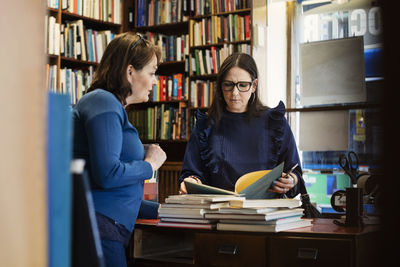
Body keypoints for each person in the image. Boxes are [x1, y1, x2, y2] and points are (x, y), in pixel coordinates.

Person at [72, 32, 167, 267]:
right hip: (99, 229)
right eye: (152, 72)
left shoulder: (108, 105)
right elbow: (108, 175)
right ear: (130, 71)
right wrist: (149, 166)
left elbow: (121, 194)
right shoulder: (103, 102)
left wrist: (166, 210)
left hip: (106, 229)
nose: (155, 81)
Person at [179, 52, 302, 198]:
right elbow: (191, 172)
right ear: (220, 86)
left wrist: (291, 180)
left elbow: (295, 171)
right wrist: (191, 181)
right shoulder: (205, 126)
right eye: (228, 85)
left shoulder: (275, 122)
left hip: (267, 212)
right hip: (219, 210)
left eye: (242, 85)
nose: (235, 93)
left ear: (254, 85)